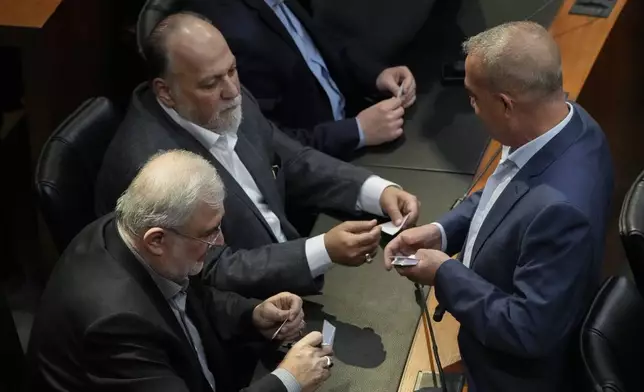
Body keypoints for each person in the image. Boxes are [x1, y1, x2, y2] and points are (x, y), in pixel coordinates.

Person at [95, 13, 420, 299]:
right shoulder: (152, 171)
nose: (232, 90)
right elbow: (209, 271)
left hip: (297, 268)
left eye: (232, 70)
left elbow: (292, 160)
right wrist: (320, 251)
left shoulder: (228, 96)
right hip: (251, 314)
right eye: (210, 83)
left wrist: (378, 191)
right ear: (165, 91)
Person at [384, 21, 613, 392]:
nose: (471, 107)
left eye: (474, 97)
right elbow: (504, 190)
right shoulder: (568, 123)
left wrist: (444, 274)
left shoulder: (561, 210)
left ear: (506, 104)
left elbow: (527, 329)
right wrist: (442, 232)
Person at [28, 150, 335, 392]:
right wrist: (288, 381)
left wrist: (252, 314)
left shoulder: (133, 224)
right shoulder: (115, 326)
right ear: (157, 240)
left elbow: (190, 297)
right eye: (209, 233)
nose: (220, 242)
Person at [182, 0, 417, 159]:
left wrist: (377, 75)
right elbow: (269, 142)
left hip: (360, 126)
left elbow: (322, 44)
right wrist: (357, 131)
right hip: (323, 162)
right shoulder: (236, 34)